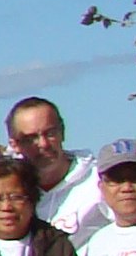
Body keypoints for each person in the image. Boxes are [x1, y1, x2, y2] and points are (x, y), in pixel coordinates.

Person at [8, 95, 110, 245]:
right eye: (31, 138)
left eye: (50, 133)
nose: (43, 144)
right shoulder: (8, 190)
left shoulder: (99, 180)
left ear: (62, 132)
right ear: (15, 144)